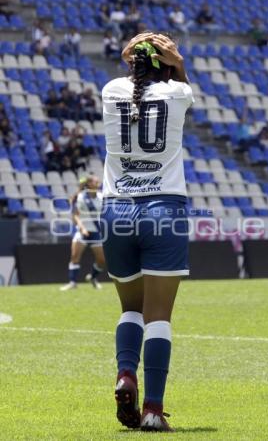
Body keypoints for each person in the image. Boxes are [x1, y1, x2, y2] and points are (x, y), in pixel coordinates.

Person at [101, 32, 193, 431]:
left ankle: (125, 373)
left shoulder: (110, 90)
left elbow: (132, 77)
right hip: (164, 210)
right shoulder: (178, 93)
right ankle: (153, 410)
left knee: (130, 309)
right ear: (166, 62)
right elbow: (183, 84)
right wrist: (180, 61)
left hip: (116, 211)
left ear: (130, 63)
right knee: (158, 317)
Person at [60, 175, 105, 291]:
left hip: (97, 232)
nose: (98, 183)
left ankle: (93, 278)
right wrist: (82, 228)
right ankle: (72, 282)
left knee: (102, 261)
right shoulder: (80, 197)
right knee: (75, 257)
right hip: (82, 232)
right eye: (95, 181)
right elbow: (75, 214)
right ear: (89, 183)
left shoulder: (102, 196)